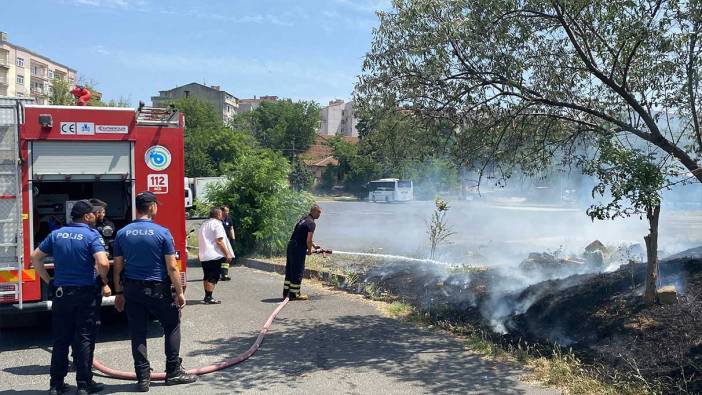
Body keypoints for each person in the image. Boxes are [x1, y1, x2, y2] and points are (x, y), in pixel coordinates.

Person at [112, 191, 197, 392]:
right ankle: (173, 372)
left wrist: (119, 292)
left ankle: (142, 378)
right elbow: (172, 268)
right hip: (157, 289)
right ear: (151, 207)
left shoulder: (122, 233)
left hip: (132, 288)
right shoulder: (162, 232)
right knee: (172, 325)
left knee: (138, 332)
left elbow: (117, 267)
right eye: (156, 205)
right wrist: (180, 292)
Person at [31, 200, 111, 395]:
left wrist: (49, 280)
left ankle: (56, 385)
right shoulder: (92, 235)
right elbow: (103, 262)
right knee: (83, 337)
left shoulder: (56, 234)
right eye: (93, 213)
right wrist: (103, 279)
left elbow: (35, 257)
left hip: (61, 292)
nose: (95, 216)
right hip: (85, 292)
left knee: (60, 339)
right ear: (86, 217)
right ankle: (84, 385)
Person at [283, 204, 322, 301]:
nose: (319, 215)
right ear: (313, 211)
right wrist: (309, 250)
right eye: (318, 212)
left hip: (291, 245)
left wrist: (314, 246)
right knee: (298, 270)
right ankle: (295, 294)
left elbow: (302, 235)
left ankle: (286, 293)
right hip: (298, 248)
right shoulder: (312, 223)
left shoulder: (304, 219)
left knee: (290, 269)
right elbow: (308, 240)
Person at [197, 207, 233, 304]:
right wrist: (227, 253)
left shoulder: (204, 224)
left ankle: (207, 296)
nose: (223, 215)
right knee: (213, 276)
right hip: (214, 254)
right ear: (217, 215)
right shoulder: (217, 224)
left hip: (204, 254)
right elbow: (219, 241)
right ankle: (209, 297)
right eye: (221, 214)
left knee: (207, 276)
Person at [219, 206, 236, 281]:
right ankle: (219, 272)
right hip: (218, 241)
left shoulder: (228, 218)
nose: (227, 213)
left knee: (227, 257)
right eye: (226, 211)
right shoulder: (218, 219)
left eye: (228, 211)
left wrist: (233, 239)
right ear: (222, 211)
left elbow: (231, 228)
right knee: (220, 258)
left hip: (227, 241)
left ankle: (224, 274)